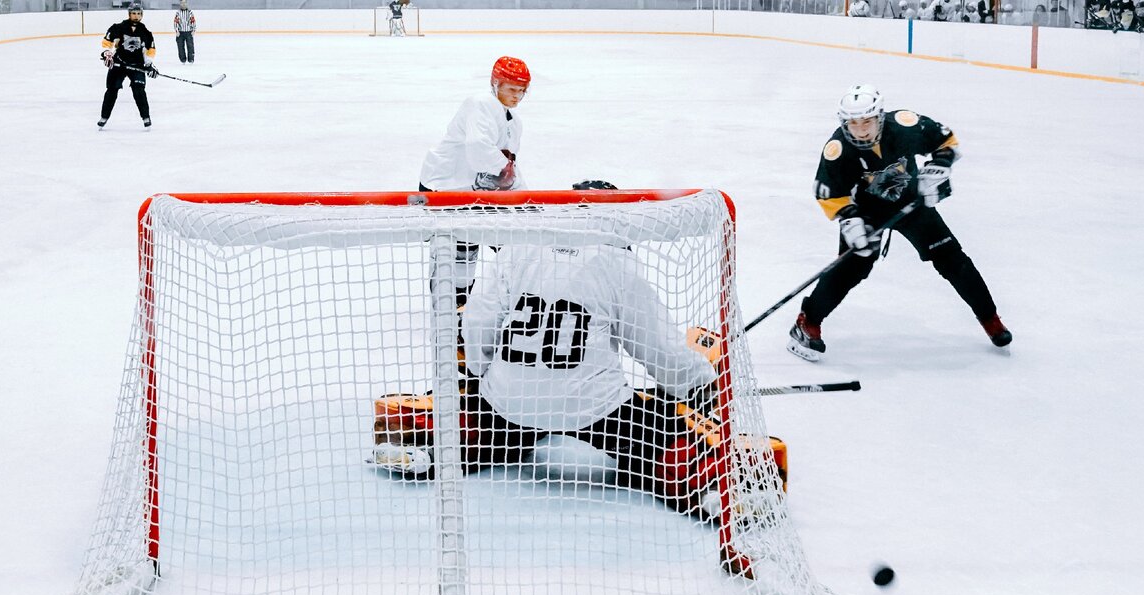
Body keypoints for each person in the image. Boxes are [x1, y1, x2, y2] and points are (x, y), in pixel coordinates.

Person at [375, 180, 721, 513]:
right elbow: (657, 347)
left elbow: (478, 321)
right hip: (593, 406)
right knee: (659, 434)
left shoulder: (520, 247)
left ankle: (436, 446)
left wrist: (481, 375)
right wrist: (699, 385)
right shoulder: (616, 262)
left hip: (510, 400)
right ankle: (702, 485)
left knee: (499, 428)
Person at [788, 84, 1011, 361]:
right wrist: (849, 220)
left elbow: (945, 140)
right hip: (865, 214)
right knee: (851, 268)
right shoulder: (838, 149)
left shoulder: (905, 125)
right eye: (853, 123)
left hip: (910, 204)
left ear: (880, 117)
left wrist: (938, 168)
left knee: (953, 259)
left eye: (867, 121)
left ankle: (990, 319)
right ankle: (807, 322)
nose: (861, 129)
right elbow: (828, 191)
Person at [419, 56, 530, 305]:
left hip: (476, 192)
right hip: (445, 188)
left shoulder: (514, 123)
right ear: (495, 84)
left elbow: (509, 167)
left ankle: (504, 305)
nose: (517, 96)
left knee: (512, 243)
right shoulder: (480, 103)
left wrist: (525, 196)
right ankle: (453, 313)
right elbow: (478, 149)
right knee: (459, 251)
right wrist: (504, 171)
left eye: (522, 91)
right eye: (512, 89)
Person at [98, 3, 156, 130]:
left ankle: (146, 117)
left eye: (139, 13)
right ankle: (104, 117)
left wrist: (149, 64)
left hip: (137, 65)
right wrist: (107, 53)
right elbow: (107, 42)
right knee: (111, 90)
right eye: (134, 13)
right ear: (129, 14)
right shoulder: (118, 27)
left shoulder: (146, 32)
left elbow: (150, 50)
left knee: (139, 91)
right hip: (119, 63)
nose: (136, 16)